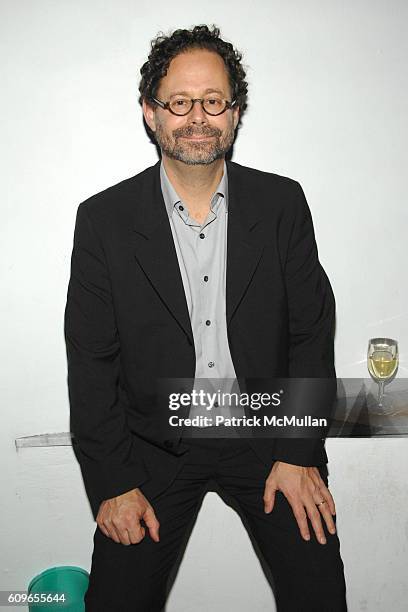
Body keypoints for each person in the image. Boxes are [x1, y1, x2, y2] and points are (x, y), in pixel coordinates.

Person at [64, 24, 347, 611]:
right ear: (151, 112)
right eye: (180, 102)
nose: (198, 116)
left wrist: (298, 453)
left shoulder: (282, 204)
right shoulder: (103, 220)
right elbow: (91, 363)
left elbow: (311, 333)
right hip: (151, 447)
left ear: (235, 113)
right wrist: (114, 484)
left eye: (214, 101)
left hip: (268, 432)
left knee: (320, 595)